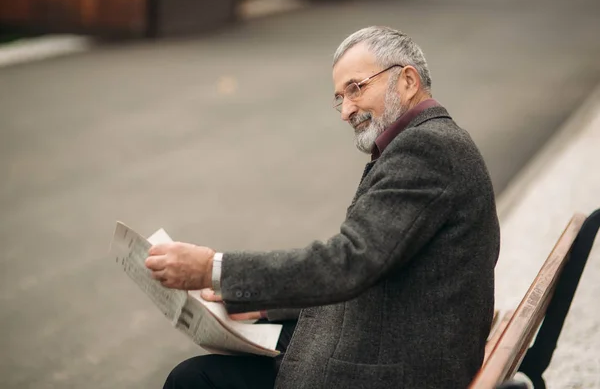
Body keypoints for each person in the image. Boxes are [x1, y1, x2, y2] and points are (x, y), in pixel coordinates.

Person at [145, 26, 500, 389]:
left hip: (390, 371)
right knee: (199, 375)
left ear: (407, 80)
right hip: (392, 349)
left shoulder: (426, 149)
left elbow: (348, 262)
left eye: (355, 88)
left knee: (193, 380)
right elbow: (370, 267)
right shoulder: (429, 141)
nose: (346, 110)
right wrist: (267, 306)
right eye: (339, 97)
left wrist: (212, 269)